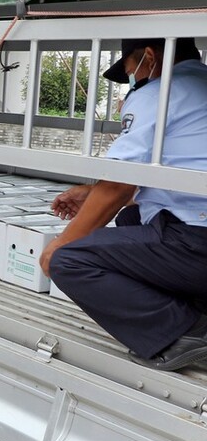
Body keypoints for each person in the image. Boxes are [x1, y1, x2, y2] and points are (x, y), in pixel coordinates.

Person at [42, 37, 207, 371]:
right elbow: (181, 170)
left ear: (149, 56)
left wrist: (59, 246)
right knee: (132, 218)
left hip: (198, 244)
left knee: (68, 260)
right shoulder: (200, 85)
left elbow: (118, 182)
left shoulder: (158, 94)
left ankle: (185, 331)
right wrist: (93, 193)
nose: (134, 80)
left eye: (132, 71)